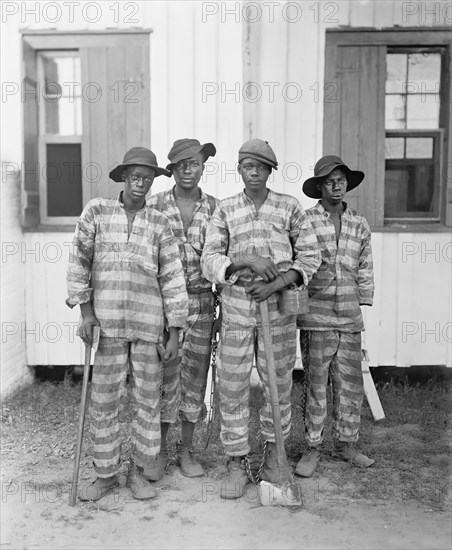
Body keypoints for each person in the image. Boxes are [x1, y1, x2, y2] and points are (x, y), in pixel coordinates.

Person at [66, 147, 189, 501]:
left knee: (148, 400)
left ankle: (138, 471)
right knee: (105, 401)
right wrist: (86, 313)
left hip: (149, 326)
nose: (141, 183)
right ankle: (106, 475)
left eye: (148, 179)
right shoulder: (97, 212)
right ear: (123, 177)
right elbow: (78, 262)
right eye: (135, 176)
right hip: (105, 325)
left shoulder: (160, 223)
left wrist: (175, 332)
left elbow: (173, 278)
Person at [201, 138, 320, 499]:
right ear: (239, 170)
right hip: (236, 315)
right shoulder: (225, 210)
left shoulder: (289, 208)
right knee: (232, 390)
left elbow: (310, 256)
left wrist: (278, 283)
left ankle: (274, 457)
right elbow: (209, 259)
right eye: (247, 166)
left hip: (278, 316)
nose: (254, 172)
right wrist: (244, 263)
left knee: (278, 387)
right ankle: (236, 462)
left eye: (261, 166)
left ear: (270, 171)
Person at [295, 155, 375, 479]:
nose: (336, 185)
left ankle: (346, 444)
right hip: (316, 316)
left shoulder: (359, 223)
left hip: (349, 317)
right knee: (316, 385)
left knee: (350, 385)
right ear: (320, 186)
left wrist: (363, 298)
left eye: (341, 179)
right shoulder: (307, 221)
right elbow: (299, 262)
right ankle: (312, 447)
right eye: (330, 180)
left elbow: (365, 265)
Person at [147, 138, 219, 478]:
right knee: (165, 376)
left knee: (195, 379)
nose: (189, 170)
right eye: (181, 165)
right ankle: (156, 451)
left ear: (203, 166)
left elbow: (222, 259)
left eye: (195, 163)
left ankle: (186, 451)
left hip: (203, 301)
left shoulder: (217, 208)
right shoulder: (155, 205)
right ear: (172, 170)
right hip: (164, 304)